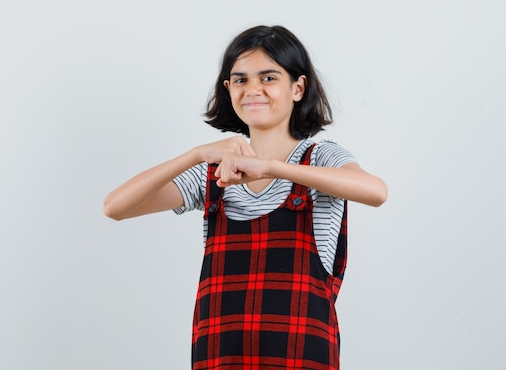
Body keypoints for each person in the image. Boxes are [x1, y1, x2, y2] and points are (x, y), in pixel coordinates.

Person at [103, 25, 387, 370]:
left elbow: (375, 192)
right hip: (220, 359)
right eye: (240, 80)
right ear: (228, 89)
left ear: (298, 88)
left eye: (268, 78)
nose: (253, 89)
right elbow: (115, 207)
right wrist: (194, 155)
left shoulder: (320, 158)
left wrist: (270, 167)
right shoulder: (215, 173)